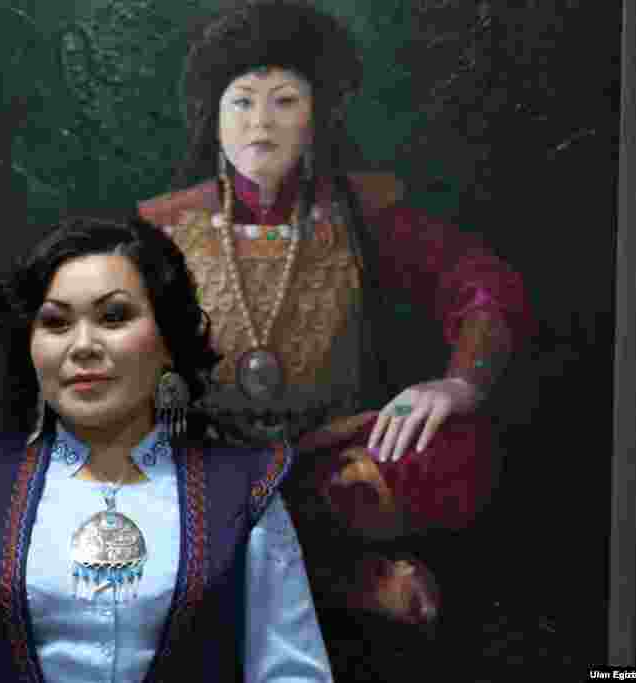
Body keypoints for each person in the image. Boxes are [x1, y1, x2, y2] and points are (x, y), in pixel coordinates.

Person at [136, 0, 534, 676]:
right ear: (215, 118)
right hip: (205, 458)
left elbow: (477, 281)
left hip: (327, 454)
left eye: (284, 101)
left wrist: (456, 382)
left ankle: (259, 565)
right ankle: (341, 581)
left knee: (456, 445)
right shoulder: (165, 226)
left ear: (317, 115)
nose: (261, 122)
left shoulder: (361, 212)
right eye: (242, 102)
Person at [0, 216, 333, 682]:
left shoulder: (245, 490)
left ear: (167, 340)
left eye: (113, 317)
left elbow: (292, 673)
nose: (83, 346)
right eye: (56, 322)